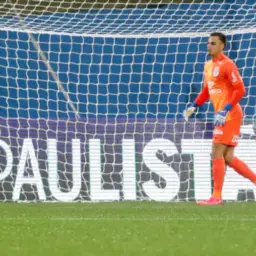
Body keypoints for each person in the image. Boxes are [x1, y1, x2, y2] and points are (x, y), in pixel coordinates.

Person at [183, 32, 256, 205]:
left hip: (230, 115)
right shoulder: (208, 65)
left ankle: (216, 197)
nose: (209, 46)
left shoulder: (228, 65)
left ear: (222, 45)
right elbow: (207, 90)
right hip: (223, 115)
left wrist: (225, 110)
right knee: (228, 157)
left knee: (216, 151)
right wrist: (195, 105)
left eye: (213, 43)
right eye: (208, 43)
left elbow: (240, 90)